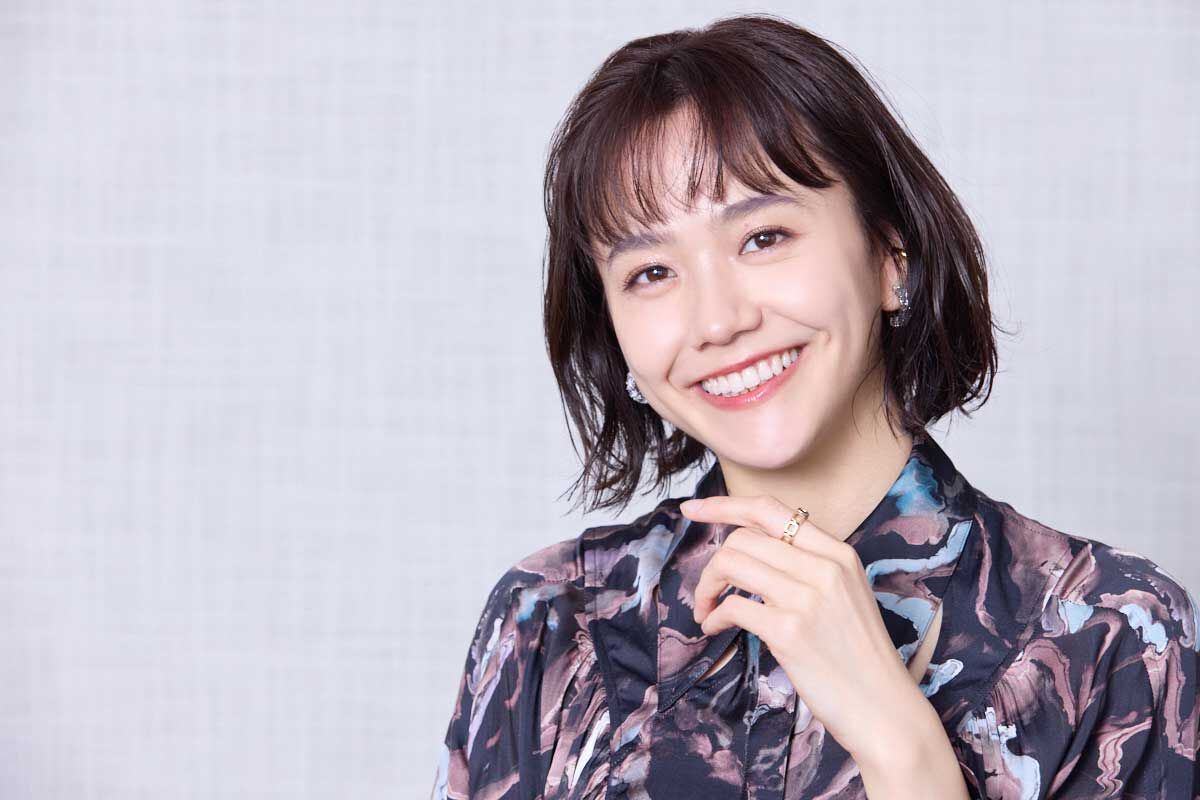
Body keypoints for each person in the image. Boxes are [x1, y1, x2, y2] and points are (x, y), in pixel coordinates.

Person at [431, 13, 1199, 800]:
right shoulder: (551, 625)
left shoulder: (1110, 640)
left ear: (890, 259)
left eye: (763, 238)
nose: (717, 321)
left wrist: (901, 748)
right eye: (651, 273)